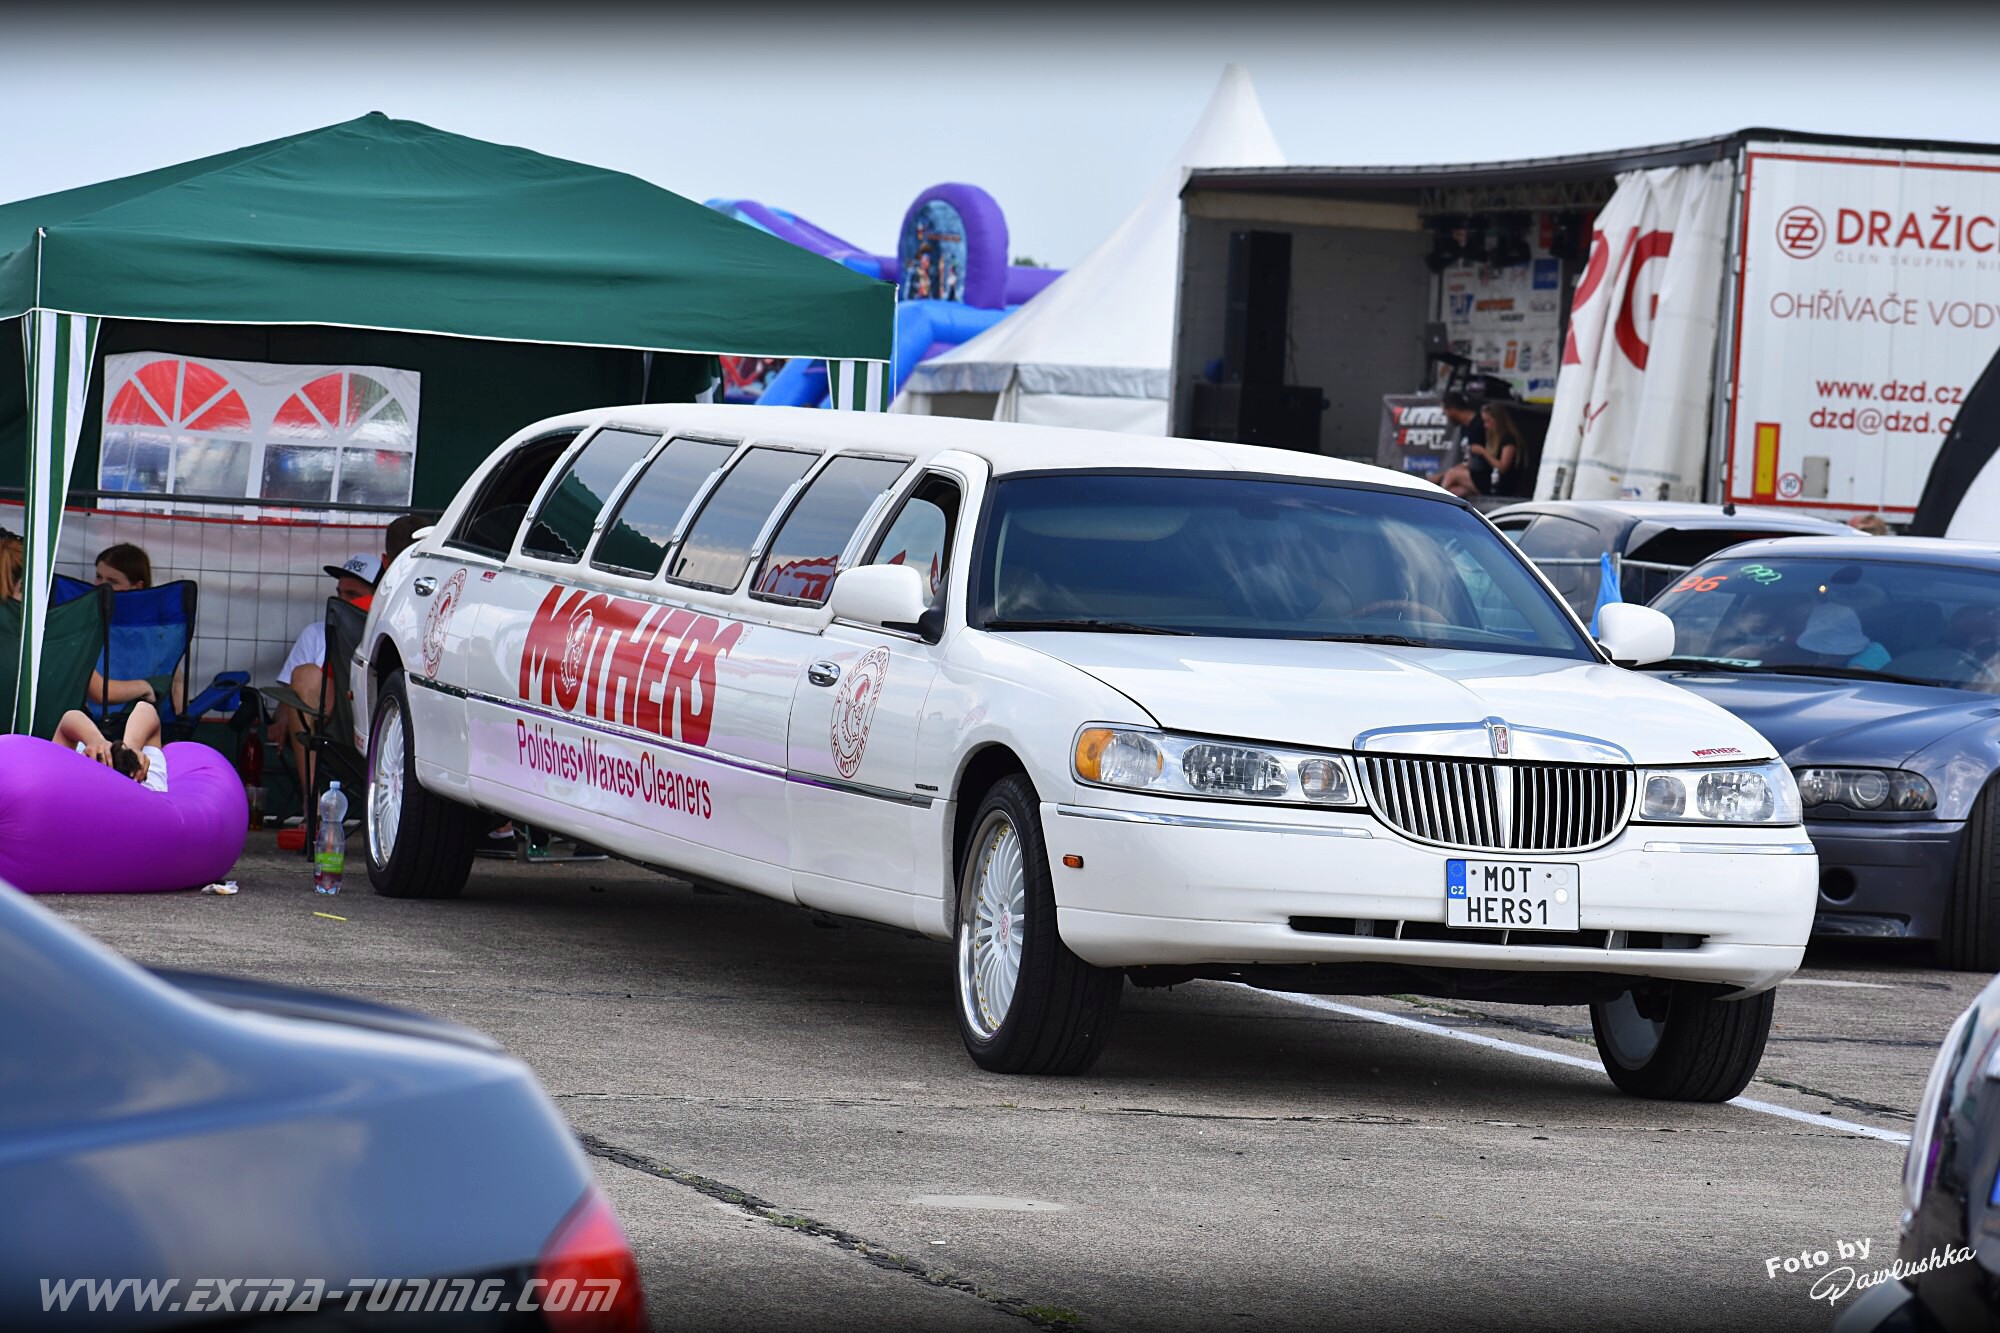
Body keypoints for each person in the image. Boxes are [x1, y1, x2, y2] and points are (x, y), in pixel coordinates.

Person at [270, 553, 381, 797]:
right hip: (329, 730)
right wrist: (281, 720)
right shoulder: (316, 633)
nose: (341, 601)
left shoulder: (388, 637)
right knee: (305, 675)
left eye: (352, 595)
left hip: (377, 731)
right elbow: (291, 694)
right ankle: (311, 802)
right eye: (339, 593)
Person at [83, 542, 184, 713]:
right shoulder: (85, 624)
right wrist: (145, 687)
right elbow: (98, 692)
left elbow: (177, 683)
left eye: (112, 581)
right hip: (92, 721)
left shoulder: (157, 632)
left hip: (140, 720)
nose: (101, 586)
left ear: (137, 587)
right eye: (98, 577)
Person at [54, 700, 169, 793]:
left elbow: (68, 720)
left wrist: (95, 740)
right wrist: (129, 751)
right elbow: (145, 709)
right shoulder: (149, 790)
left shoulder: (67, 791)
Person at [1436, 399, 1523, 499]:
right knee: (1457, 490)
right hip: (1490, 478)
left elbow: (1503, 467)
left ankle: (1438, 500)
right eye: (1484, 422)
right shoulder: (1492, 438)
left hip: (1501, 484)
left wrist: (1483, 452)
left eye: (1488, 421)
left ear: (1497, 420)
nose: (1485, 426)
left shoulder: (1508, 440)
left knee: (1453, 474)